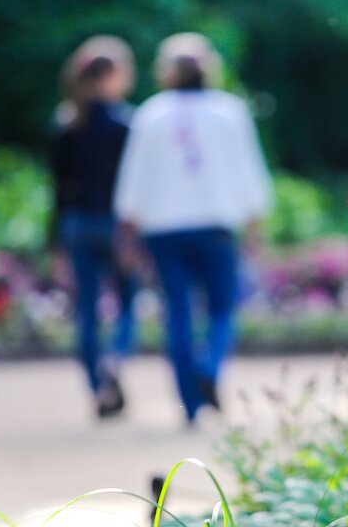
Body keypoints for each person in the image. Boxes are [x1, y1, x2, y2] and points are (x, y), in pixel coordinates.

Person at [114, 33, 273, 425]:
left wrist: (127, 232)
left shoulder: (150, 113)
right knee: (222, 308)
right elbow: (250, 173)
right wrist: (255, 226)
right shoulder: (230, 110)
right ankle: (211, 367)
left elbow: (133, 182)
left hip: (164, 231)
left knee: (179, 314)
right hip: (217, 227)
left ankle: (189, 402)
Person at [49, 36, 138, 418]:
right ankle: (115, 358)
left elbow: (57, 190)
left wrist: (53, 245)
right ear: (113, 75)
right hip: (117, 225)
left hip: (77, 225)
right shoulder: (127, 124)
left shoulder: (66, 123)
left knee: (86, 310)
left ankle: (97, 385)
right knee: (129, 300)